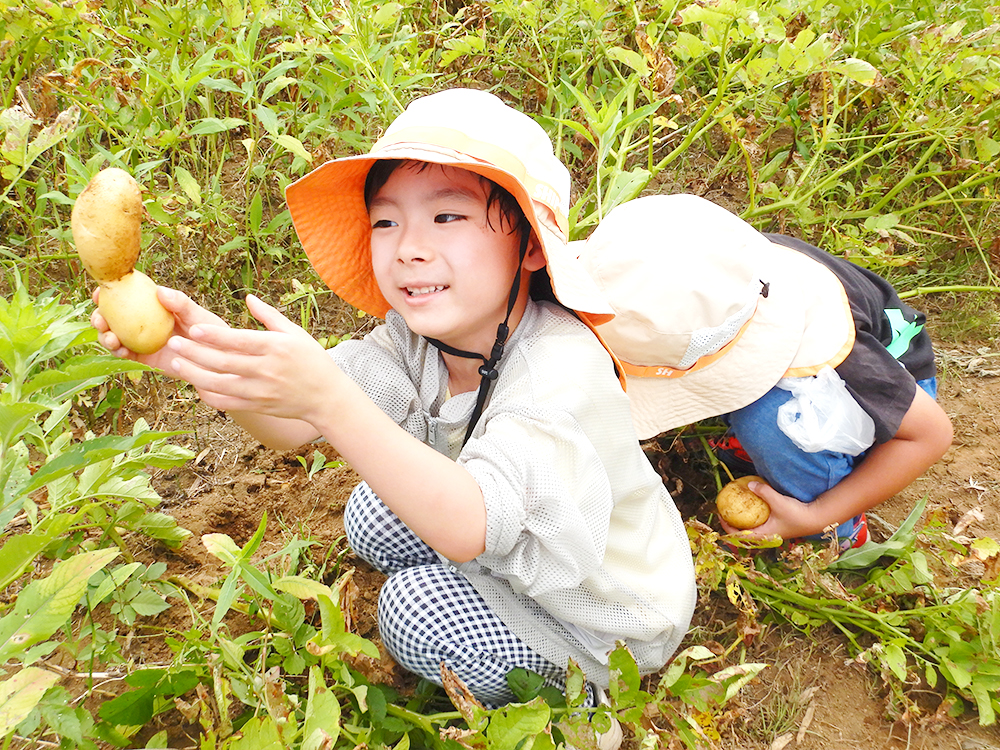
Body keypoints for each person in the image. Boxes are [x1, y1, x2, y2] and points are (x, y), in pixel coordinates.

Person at [91, 89, 697, 714]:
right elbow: (291, 424)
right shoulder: (418, 343)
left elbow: (466, 525)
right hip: (494, 531)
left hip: (604, 611)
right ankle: (489, 598)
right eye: (386, 221)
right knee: (371, 513)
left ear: (531, 247)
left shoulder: (560, 370)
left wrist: (331, 401)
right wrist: (201, 357)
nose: (408, 246)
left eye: (447, 218)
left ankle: (585, 696)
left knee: (411, 612)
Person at [574, 194, 953, 549]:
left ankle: (837, 532)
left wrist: (814, 516)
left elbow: (929, 436)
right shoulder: (719, 268)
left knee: (766, 424)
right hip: (794, 358)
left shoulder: (841, 350)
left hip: (884, 389)